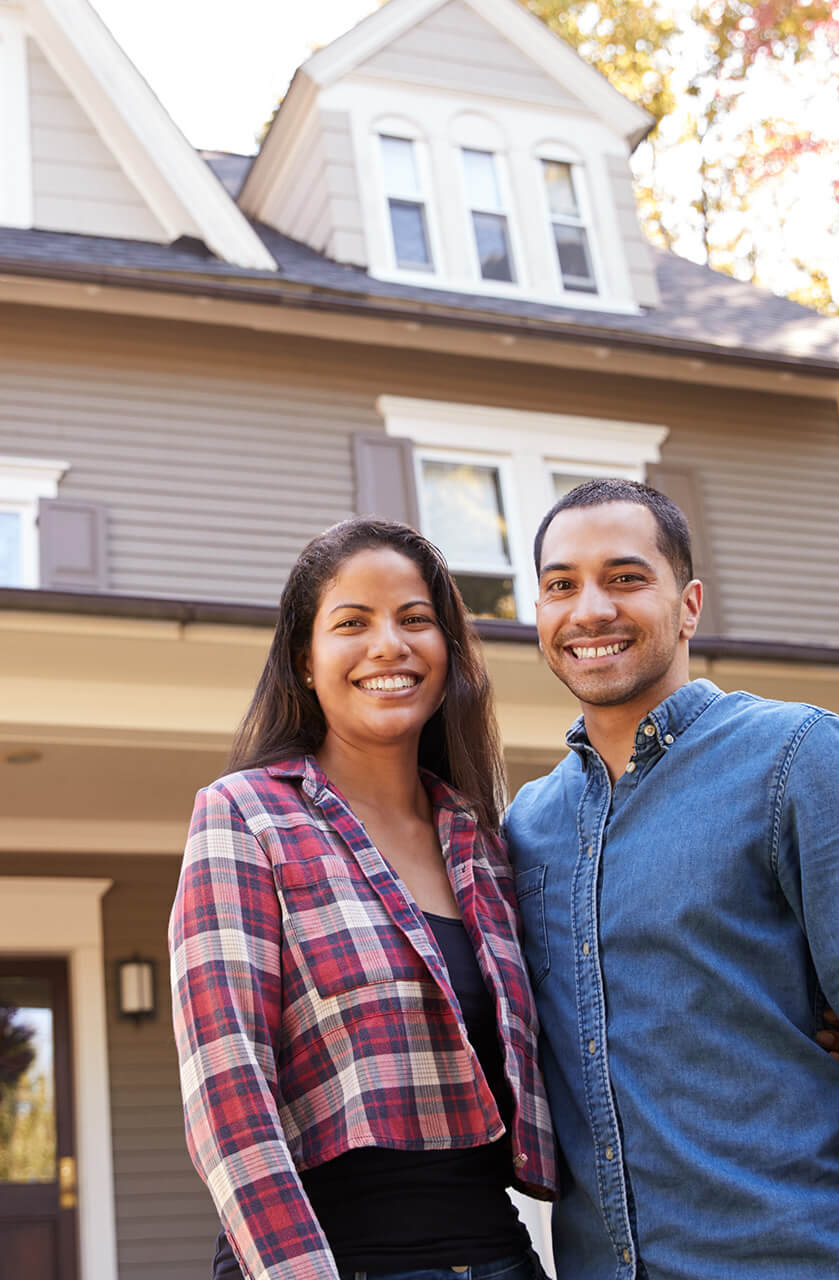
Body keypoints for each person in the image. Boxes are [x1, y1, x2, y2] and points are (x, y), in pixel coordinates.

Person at [505, 478, 839, 1278]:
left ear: (689, 605)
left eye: (626, 578)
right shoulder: (526, 827)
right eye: (561, 585)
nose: (589, 609)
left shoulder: (798, 758)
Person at [170, 518, 554, 1280]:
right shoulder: (244, 817)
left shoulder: (483, 843)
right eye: (352, 623)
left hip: (501, 1256)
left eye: (416, 620)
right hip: (336, 1259)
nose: (390, 645)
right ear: (305, 663)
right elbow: (228, 1093)